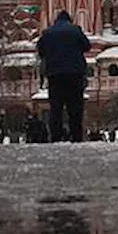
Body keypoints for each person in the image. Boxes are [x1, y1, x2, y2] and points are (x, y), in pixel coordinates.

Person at [36, 10, 91, 142]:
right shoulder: (75, 30)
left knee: (56, 107)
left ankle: (56, 136)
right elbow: (87, 46)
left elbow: (41, 50)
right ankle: (76, 136)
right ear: (69, 20)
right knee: (75, 107)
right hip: (75, 73)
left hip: (54, 75)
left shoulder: (47, 32)